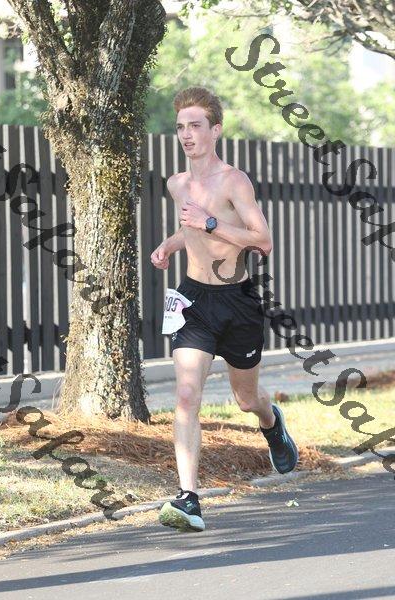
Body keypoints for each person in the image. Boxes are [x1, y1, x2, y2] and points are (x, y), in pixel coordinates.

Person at [150, 86, 298, 533]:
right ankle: (189, 498)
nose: (186, 134)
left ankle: (272, 424)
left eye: (195, 125)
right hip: (194, 300)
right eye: (180, 127)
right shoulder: (178, 184)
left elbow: (263, 241)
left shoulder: (234, 181)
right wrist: (170, 244)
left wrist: (210, 222)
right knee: (186, 395)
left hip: (238, 303)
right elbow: (192, 231)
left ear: (215, 130)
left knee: (246, 399)